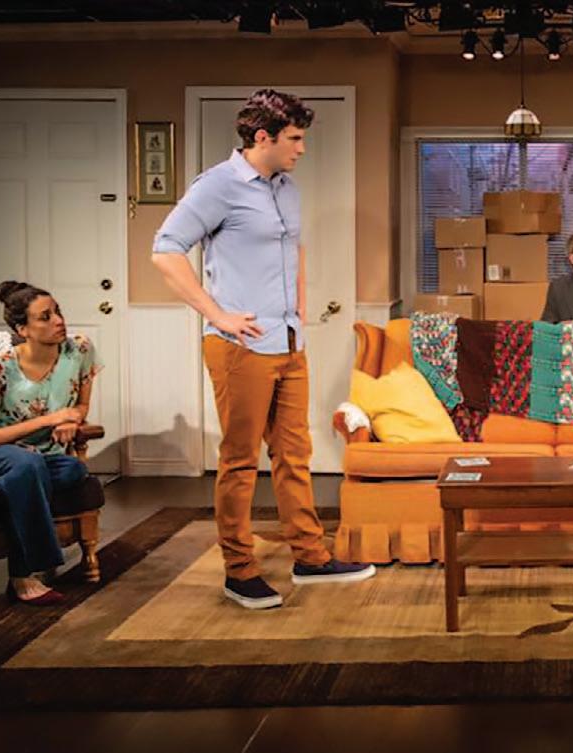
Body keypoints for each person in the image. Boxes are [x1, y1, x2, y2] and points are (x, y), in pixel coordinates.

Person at [152, 88, 372, 611]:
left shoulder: (287, 189)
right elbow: (166, 250)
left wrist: (300, 311)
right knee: (239, 461)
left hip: (289, 342)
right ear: (262, 137)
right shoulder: (217, 186)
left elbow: (293, 249)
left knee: (295, 455)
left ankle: (310, 557)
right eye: (294, 138)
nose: (302, 148)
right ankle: (240, 571)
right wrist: (217, 314)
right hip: (239, 346)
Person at [0, 281, 98, 606]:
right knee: (26, 466)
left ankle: (14, 485)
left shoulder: (79, 350)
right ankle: (24, 574)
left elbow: (82, 405)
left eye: (57, 311)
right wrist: (48, 420)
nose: (59, 320)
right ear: (22, 330)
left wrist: (72, 420)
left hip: (41, 457)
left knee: (71, 469)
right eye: (45, 317)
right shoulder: (0, 369)